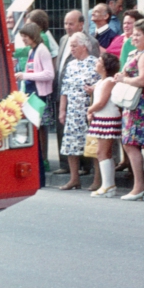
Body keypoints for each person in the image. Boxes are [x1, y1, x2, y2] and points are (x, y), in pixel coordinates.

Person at [114, 19, 144, 200]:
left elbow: (143, 80)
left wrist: (123, 80)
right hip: (139, 103)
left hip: (141, 103)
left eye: (138, 35)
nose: (134, 38)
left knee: (132, 143)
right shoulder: (140, 52)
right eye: (133, 34)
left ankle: (139, 186)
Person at [58, 33, 100, 191]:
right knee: (71, 145)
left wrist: (94, 90)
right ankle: (74, 178)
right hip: (73, 110)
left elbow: (104, 84)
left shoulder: (95, 63)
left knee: (94, 145)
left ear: (84, 46)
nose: (72, 49)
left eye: (74, 45)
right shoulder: (70, 65)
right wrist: (62, 110)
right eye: (71, 46)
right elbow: (65, 89)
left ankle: (97, 179)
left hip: (90, 110)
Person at [16, 22, 54, 187]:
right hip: (31, 95)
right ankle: (38, 177)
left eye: (25, 36)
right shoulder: (32, 50)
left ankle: (40, 177)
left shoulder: (42, 50)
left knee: (35, 134)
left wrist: (25, 76)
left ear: (32, 35)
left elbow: (49, 74)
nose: (23, 39)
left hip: (39, 96)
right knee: (33, 133)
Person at [86, 53, 122, 197]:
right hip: (101, 118)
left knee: (102, 152)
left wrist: (90, 109)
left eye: (99, 61)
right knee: (103, 152)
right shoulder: (101, 82)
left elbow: (101, 102)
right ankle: (108, 184)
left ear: (106, 66)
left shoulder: (108, 81)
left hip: (108, 119)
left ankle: (108, 185)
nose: (96, 63)